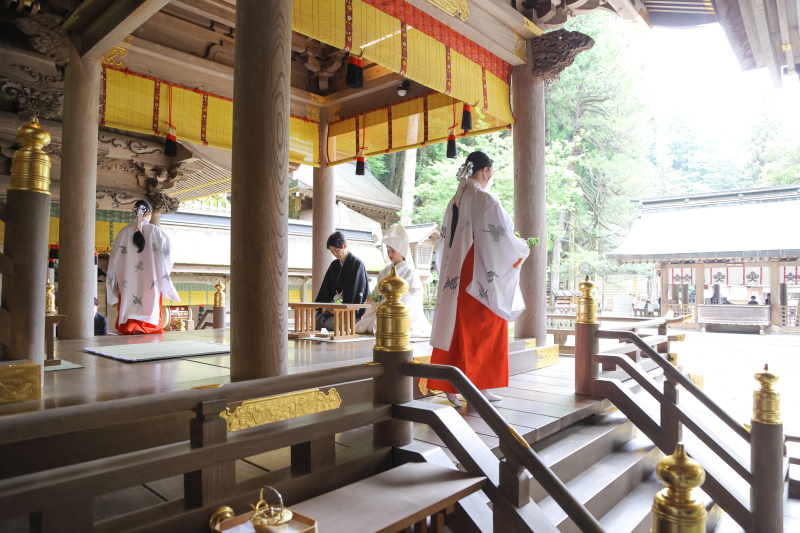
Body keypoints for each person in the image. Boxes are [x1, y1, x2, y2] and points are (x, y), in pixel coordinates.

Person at [428, 151, 531, 408]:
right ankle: (480, 387)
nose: (490, 178)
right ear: (485, 171)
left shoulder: (456, 198)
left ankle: (452, 387)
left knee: (456, 330)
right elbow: (501, 237)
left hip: (457, 275)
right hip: (477, 275)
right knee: (487, 327)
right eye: (491, 174)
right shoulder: (483, 198)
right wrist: (523, 246)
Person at [106, 200, 180, 334]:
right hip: (151, 279)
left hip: (127, 280)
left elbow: (114, 260)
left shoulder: (123, 233)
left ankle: (129, 326)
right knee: (150, 298)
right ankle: (147, 327)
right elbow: (168, 257)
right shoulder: (157, 232)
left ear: (134, 212)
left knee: (129, 297)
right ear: (150, 213)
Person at [355, 225, 432, 337]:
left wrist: (394, 303)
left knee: (378, 326)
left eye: (393, 251)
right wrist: (372, 296)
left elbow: (415, 293)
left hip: (397, 310)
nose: (390, 254)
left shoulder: (410, 270)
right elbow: (378, 289)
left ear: (401, 250)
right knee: (360, 327)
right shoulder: (384, 271)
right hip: (381, 309)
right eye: (388, 251)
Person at [314, 231, 369, 331]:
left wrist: (338, 310)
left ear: (344, 245)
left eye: (336, 250)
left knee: (333, 324)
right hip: (333, 310)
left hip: (347, 312)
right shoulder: (334, 265)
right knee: (317, 322)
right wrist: (327, 308)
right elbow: (326, 289)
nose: (335, 254)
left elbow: (356, 293)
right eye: (332, 251)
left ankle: (347, 322)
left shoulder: (357, 264)